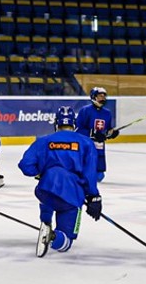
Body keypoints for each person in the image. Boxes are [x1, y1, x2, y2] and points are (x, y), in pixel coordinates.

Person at [17, 106, 101, 257]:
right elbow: (90, 174)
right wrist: (93, 197)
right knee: (66, 242)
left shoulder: (43, 141)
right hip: (72, 194)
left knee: (48, 196)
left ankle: (45, 220)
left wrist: (40, 173)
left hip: (46, 189)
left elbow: (26, 165)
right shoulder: (86, 143)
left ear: (56, 123)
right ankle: (54, 236)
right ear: (74, 125)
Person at [75, 86, 119, 183]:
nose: (103, 98)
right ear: (94, 97)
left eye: (104, 96)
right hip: (86, 144)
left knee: (99, 176)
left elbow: (107, 130)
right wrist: (93, 133)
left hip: (99, 145)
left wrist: (111, 133)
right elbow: (78, 129)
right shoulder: (85, 110)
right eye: (100, 95)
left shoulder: (107, 113)